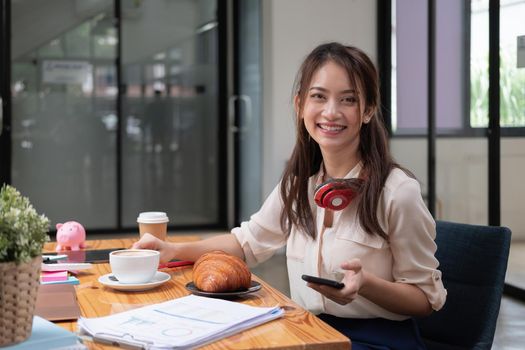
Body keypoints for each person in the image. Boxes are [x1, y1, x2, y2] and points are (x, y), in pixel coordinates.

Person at [133, 42, 447, 349]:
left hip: (379, 340)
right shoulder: (300, 184)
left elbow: (424, 300)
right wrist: (174, 250)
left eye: (348, 100)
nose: (331, 112)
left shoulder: (398, 192)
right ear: (300, 105)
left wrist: (366, 285)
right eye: (319, 97)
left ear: (368, 111)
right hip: (309, 331)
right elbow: (246, 243)